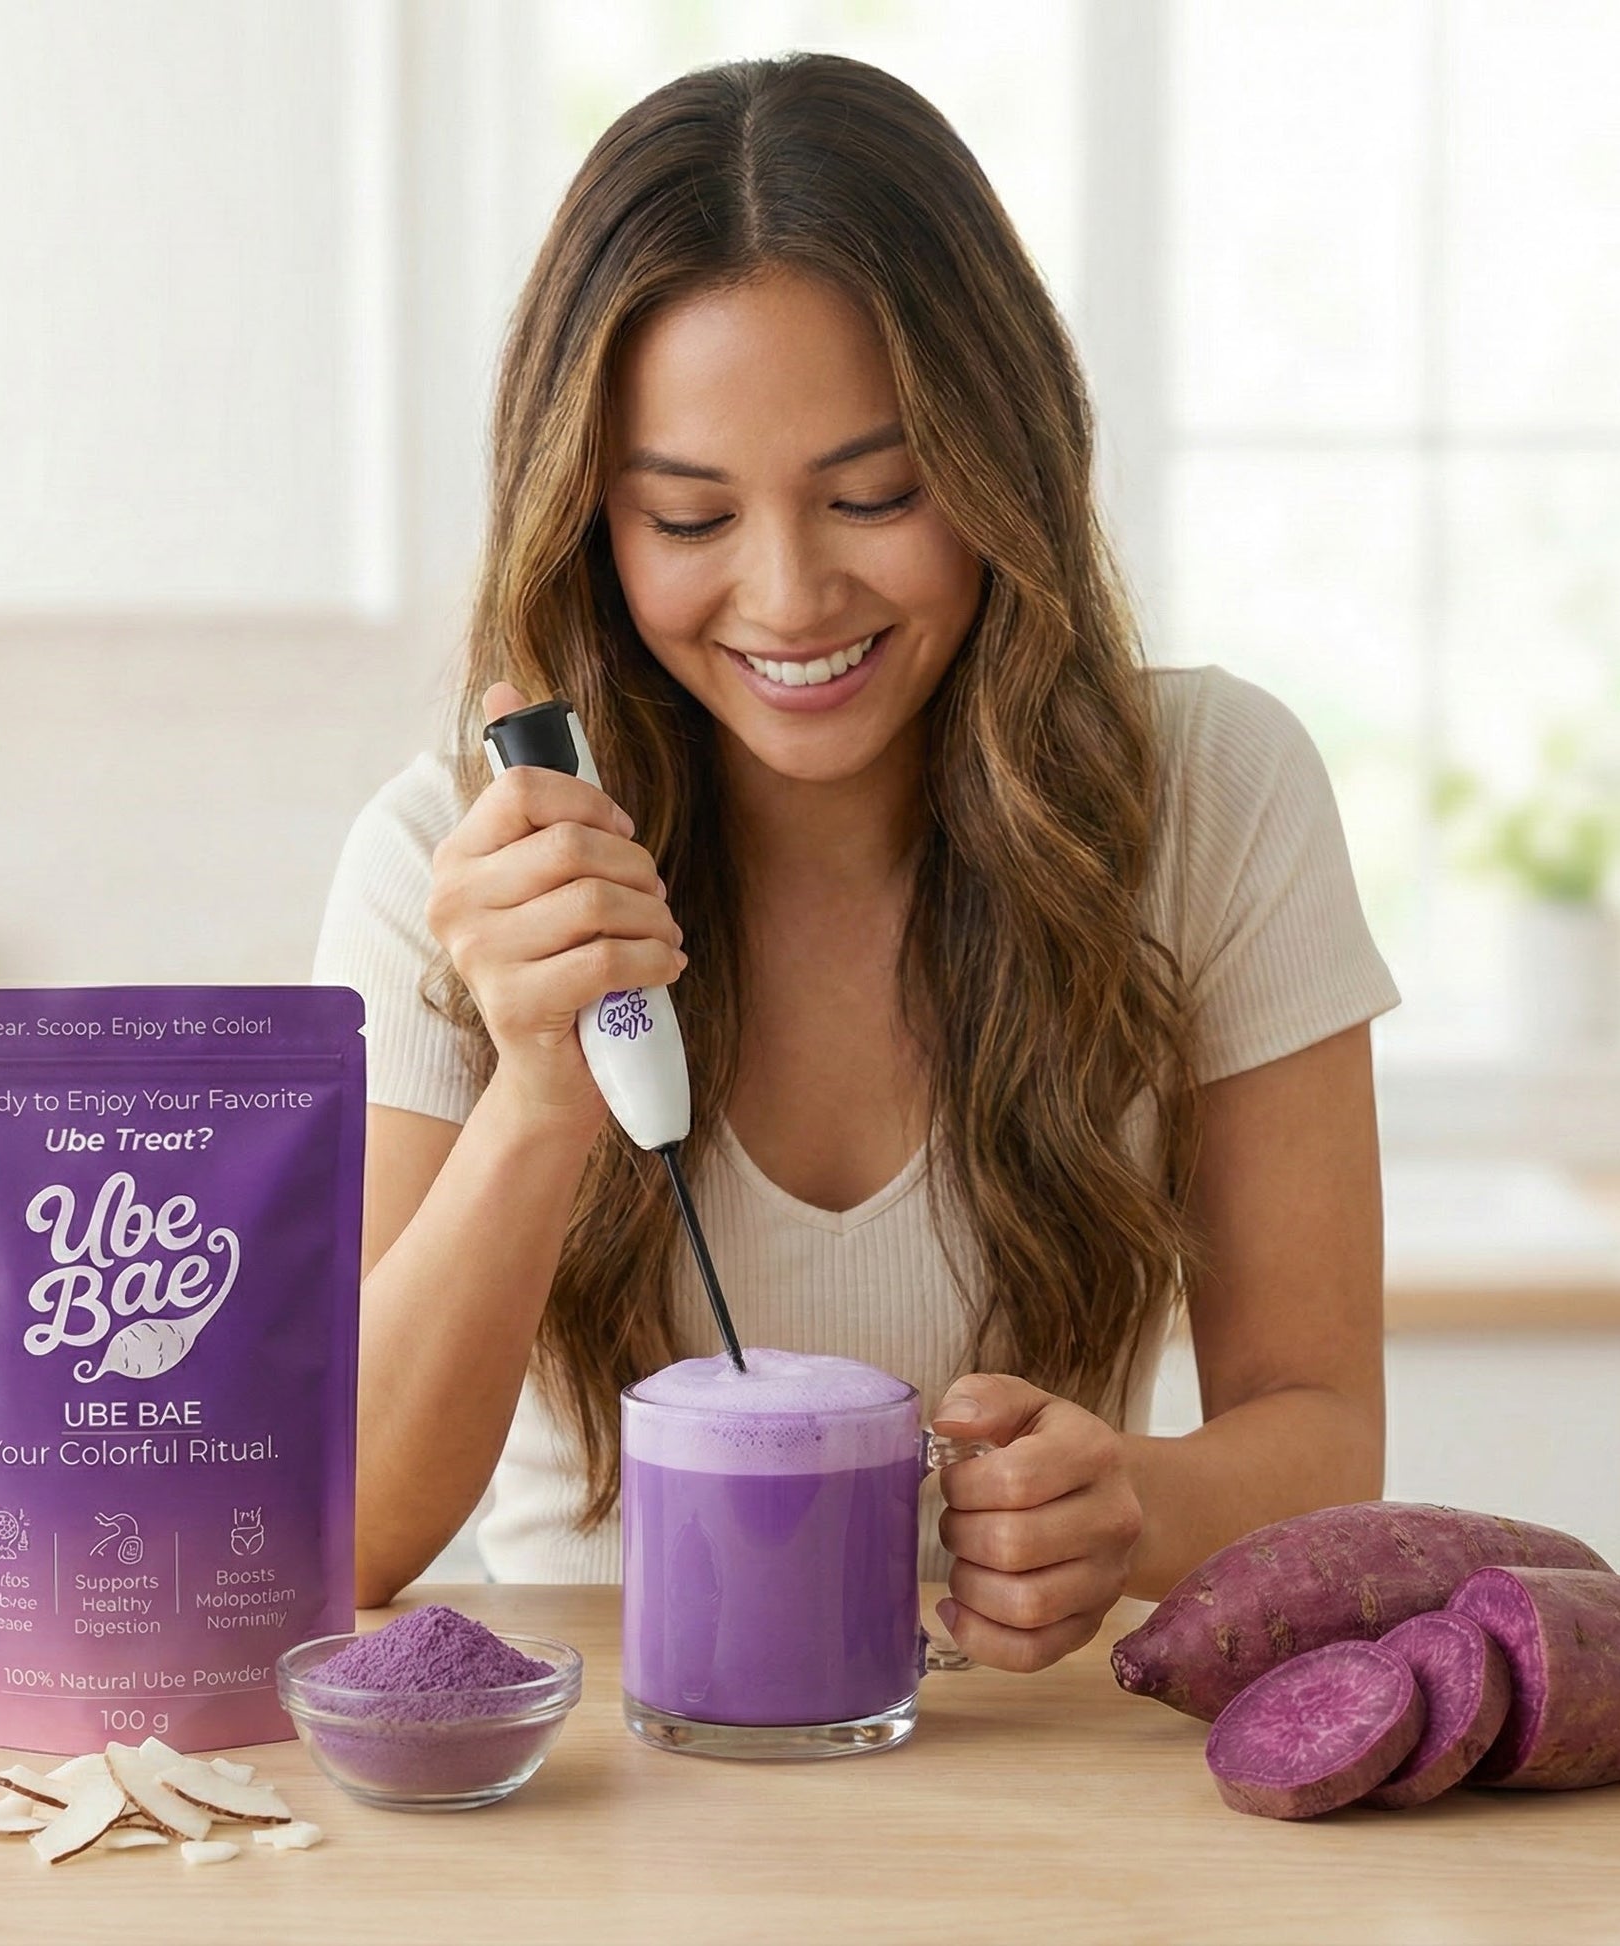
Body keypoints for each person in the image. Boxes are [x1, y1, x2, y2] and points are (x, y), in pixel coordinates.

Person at [316, 52, 1401, 1670]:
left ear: (1005, 460)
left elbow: (1318, 1428)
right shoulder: (446, 860)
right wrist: (542, 1087)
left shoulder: (1211, 799)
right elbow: (347, 1535)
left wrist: (1136, 1511)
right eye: (688, 519)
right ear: (589, 526)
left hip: (1033, 1780)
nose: (790, 592)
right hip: (608, 1791)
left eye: (876, 492)